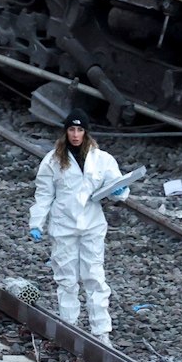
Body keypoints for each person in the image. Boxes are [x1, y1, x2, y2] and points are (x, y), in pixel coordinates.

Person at [28, 111, 126, 339]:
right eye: (71, 129)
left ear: (86, 132)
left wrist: (120, 190)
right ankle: (68, 328)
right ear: (65, 132)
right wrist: (37, 222)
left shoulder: (102, 159)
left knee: (95, 277)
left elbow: (116, 185)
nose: (75, 134)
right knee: (66, 279)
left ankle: (101, 332)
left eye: (80, 130)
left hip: (92, 224)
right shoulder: (53, 160)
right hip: (63, 225)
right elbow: (44, 194)